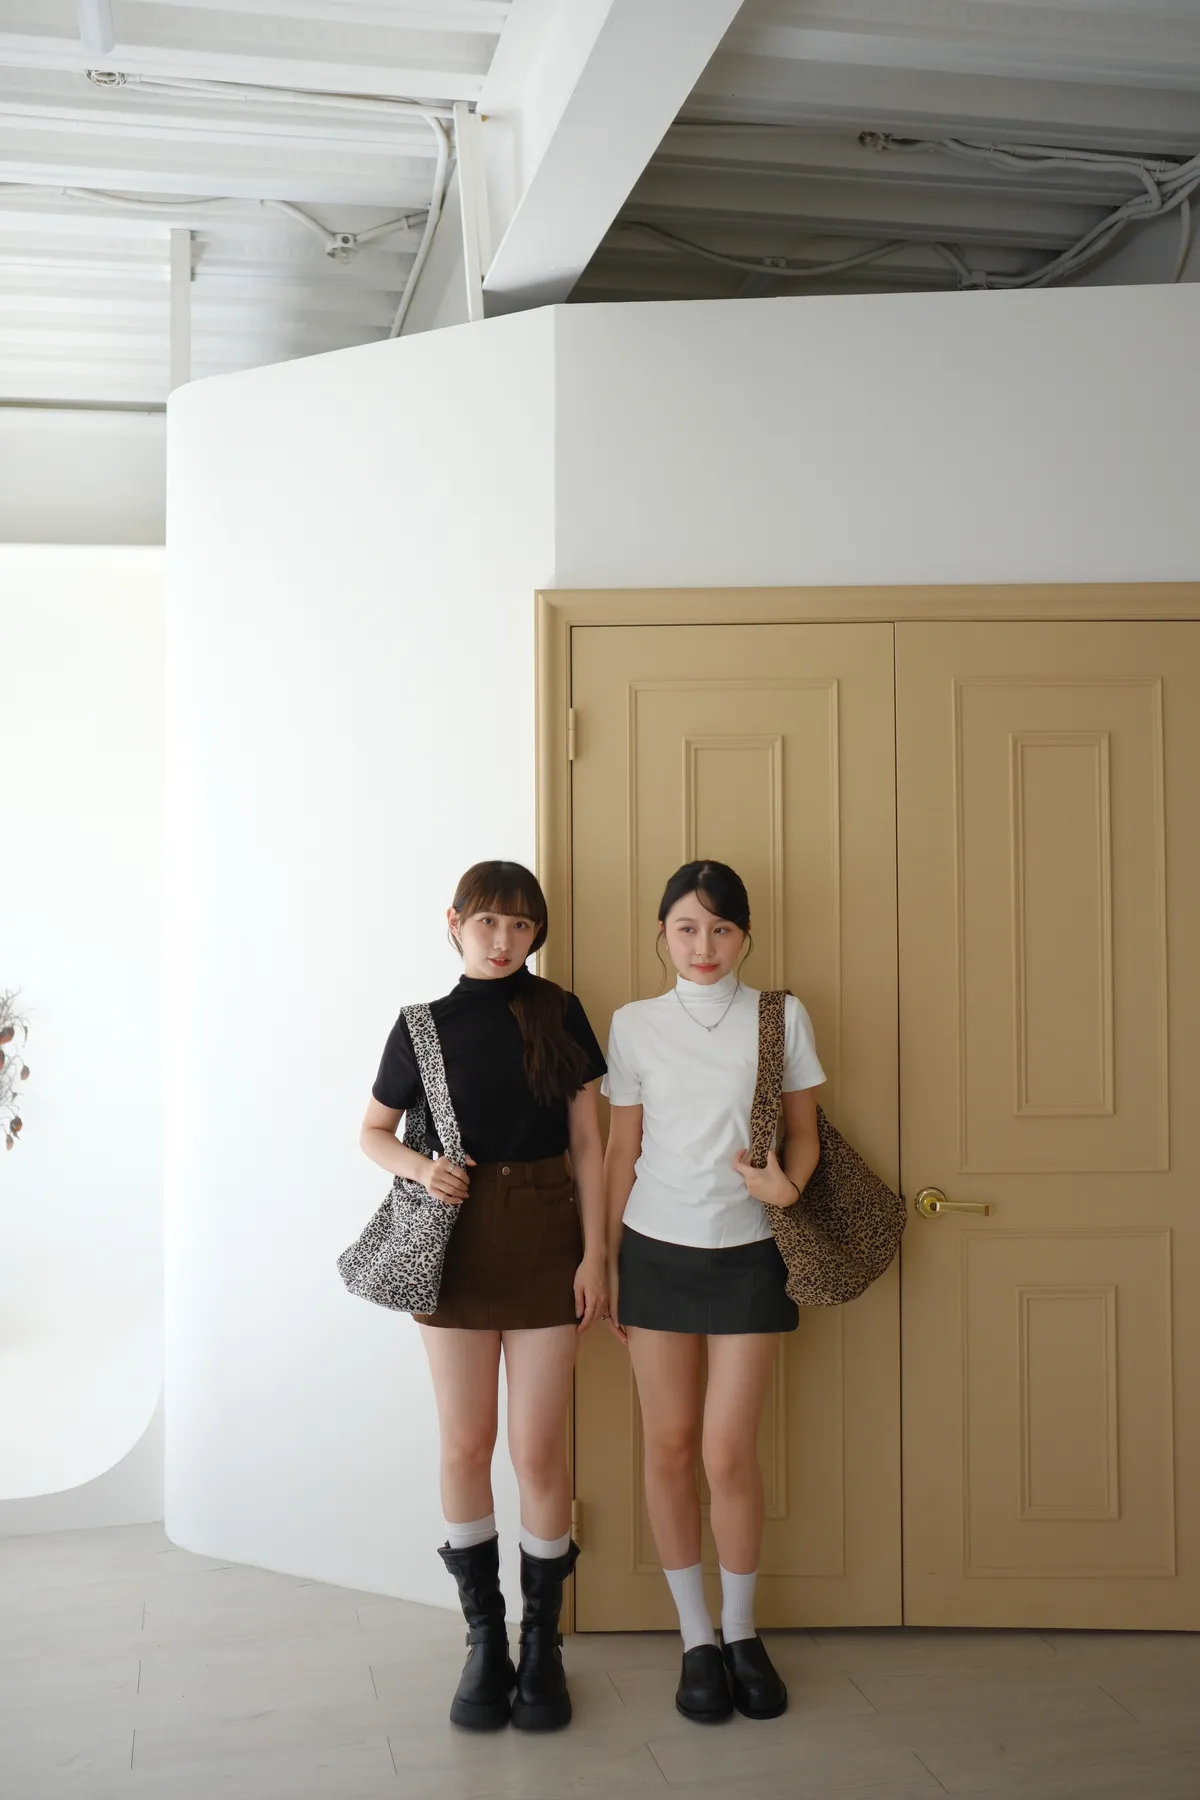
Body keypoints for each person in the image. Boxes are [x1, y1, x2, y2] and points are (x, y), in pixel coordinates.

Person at [359, 860, 607, 1734]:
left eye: (521, 925)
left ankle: (543, 1644)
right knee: (467, 1444)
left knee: (538, 1449)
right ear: (455, 921)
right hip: (455, 1245)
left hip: (547, 1236)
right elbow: (372, 1133)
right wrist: (422, 1167)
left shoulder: (560, 1011)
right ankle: (484, 1640)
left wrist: (597, 1256)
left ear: (537, 932)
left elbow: (588, 1143)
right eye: (488, 922)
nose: (503, 941)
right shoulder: (420, 1026)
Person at [602, 859, 824, 1724]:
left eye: (721, 929)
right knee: (668, 1446)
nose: (704, 945)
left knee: (727, 1453)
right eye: (687, 928)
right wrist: (605, 1261)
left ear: (744, 937)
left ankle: (741, 1631)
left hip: (750, 1254)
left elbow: (803, 1133)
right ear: (662, 934)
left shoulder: (780, 1016)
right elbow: (621, 1150)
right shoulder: (634, 1024)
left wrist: (785, 1189)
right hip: (654, 1251)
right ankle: (695, 1637)